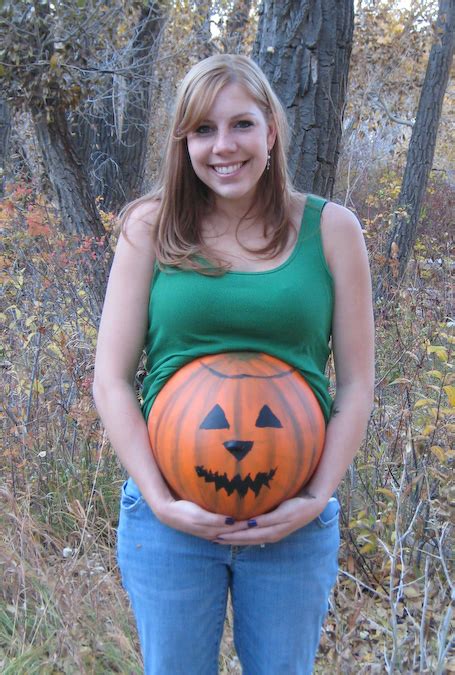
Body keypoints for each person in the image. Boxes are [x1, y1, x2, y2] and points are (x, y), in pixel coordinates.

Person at [93, 54, 375, 675]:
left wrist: (316, 497)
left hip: (294, 522)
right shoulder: (150, 226)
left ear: (272, 130)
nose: (223, 146)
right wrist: (159, 499)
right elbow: (110, 380)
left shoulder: (332, 231)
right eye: (203, 130)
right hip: (170, 521)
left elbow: (356, 385)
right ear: (184, 142)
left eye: (241, 124)